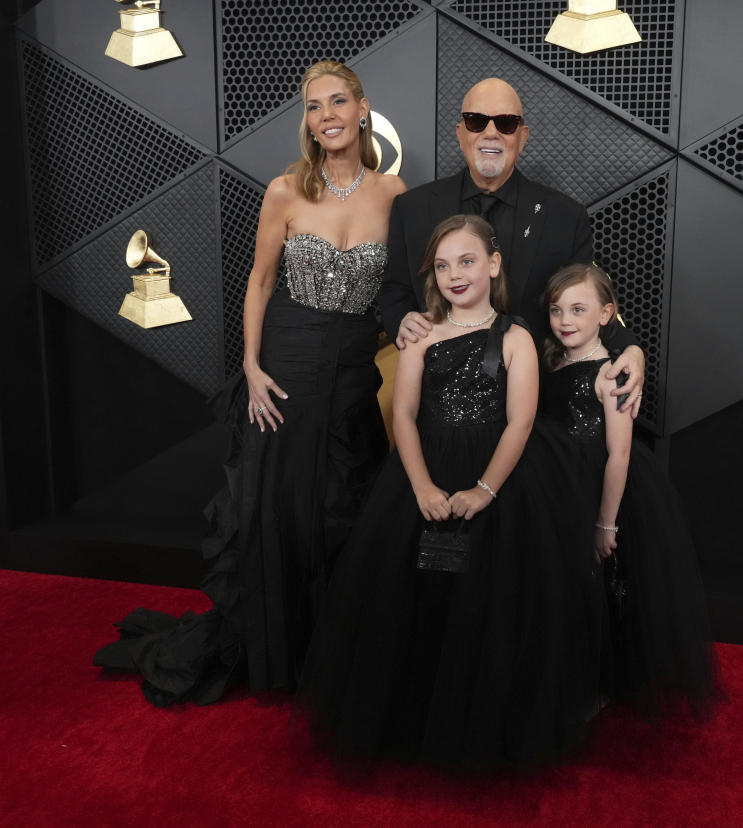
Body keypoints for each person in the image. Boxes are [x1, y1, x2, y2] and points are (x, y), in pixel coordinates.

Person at [94, 61, 406, 704]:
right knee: (281, 513)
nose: (327, 116)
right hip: (285, 369)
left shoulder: (395, 194)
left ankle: (331, 652)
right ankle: (280, 656)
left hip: (351, 374)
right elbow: (260, 281)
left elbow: (398, 293)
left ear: (363, 108)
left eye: (338, 101)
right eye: (315, 107)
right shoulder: (284, 191)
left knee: (339, 514)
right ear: (308, 121)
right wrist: (252, 368)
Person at [298, 215, 603, 770]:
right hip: (421, 477)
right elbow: (405, 415)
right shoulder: (421, 335)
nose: (454, 275)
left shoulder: (517, 338)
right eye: (441, 266)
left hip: (499, 480)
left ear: (493, 264)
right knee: (414, 598)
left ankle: (484, 721)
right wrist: (420, 486)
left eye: (466, 261)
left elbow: (521, 422)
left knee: (492, 602)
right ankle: (414, 717)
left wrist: (484, 490)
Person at [379, 77, 648, 416]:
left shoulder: (565, 217)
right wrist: (401, 319)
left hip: (536, 411)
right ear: (461, 132)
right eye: (477, 121)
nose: (491, 133)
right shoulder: (413, 208)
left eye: (506, 124)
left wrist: (630, 347)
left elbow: (585, 303)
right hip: (438, 410)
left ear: (522, 138)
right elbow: (394, 289)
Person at [539, 263, 719, 718]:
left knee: (601, 582)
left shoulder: (613, 373)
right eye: (557, 309)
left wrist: (605, 522)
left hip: (602, 488)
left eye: (578, 309)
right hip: (557, 484)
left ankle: (597, 682)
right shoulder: (553, 359)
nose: (565, 320)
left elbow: (618, 453)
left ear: (606, 314)